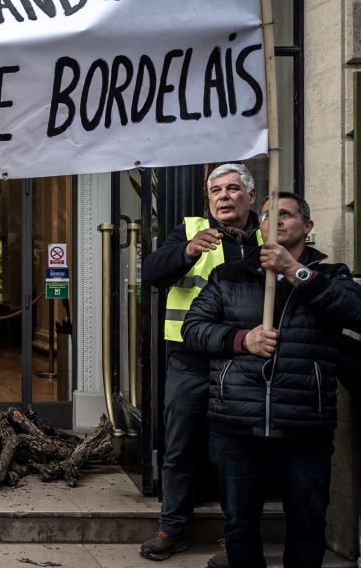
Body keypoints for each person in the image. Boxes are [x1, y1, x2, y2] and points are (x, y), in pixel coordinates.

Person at [182, 192, 361, 568]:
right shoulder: (228, 276)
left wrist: (296, 272)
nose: (274, 222)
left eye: (286, 215)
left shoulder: (331, 276)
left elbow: (353, 311)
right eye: (266, 216)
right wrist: (241, 339)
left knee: (307, 522)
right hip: (237, 422)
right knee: (239, 523)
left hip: (303, 423)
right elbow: (194, 329)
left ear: (307, 227)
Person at [139, 163, 261, 564]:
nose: (224, 197)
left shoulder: (266, 238)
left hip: (242, 362)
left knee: (236, 453)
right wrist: (188, 251)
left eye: (232, 189)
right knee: (180, 444)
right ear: (208, 199)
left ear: (251, 196)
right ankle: (172, 528)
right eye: (216, 191)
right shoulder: (190, 230)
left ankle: (236, 537)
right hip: (189, 359)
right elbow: (153, 273)